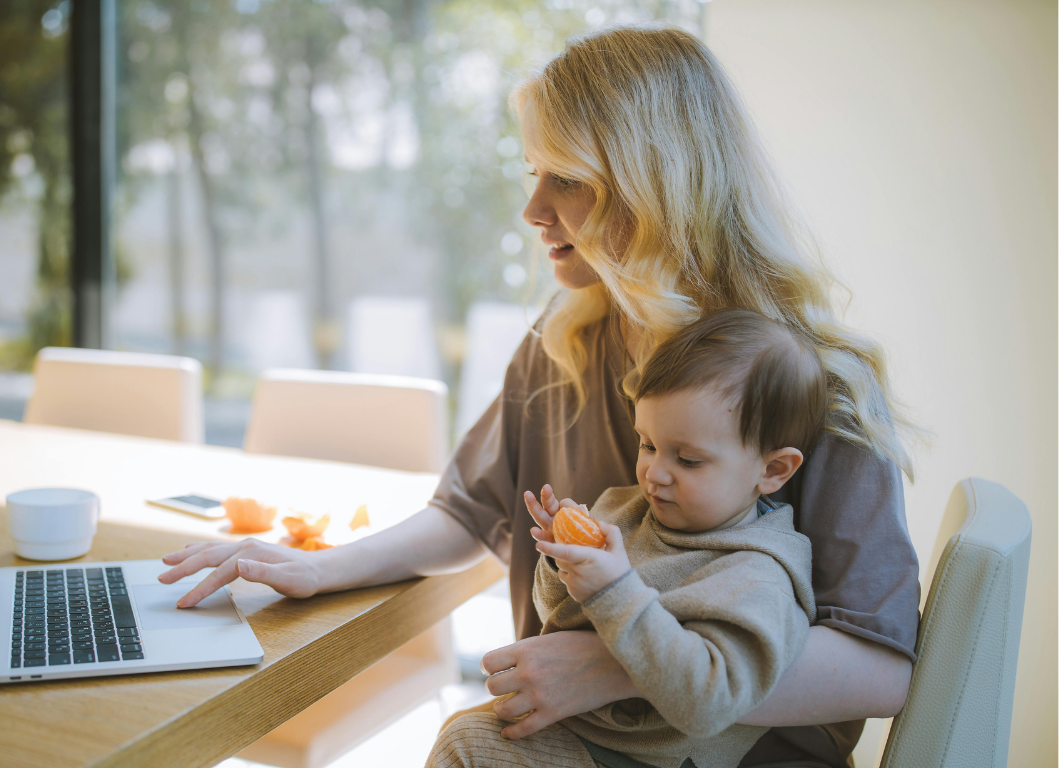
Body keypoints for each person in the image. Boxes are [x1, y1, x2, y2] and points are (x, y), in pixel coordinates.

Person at [158, 25, 920, 767]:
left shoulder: (815, 380)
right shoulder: (565, 339)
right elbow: (468, 511)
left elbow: (881, 667)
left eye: (570, 180)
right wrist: (322, 567)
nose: (533, 211)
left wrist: (618, 665)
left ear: (656, 188)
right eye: (534, 174)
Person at [428, 309, 824, 768]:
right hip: (584, 730)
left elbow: (709, 701)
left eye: (688, 460)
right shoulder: (626, 510)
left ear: (773, 470)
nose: (654, 473)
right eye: (648, 444)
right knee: (463, 731)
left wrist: (615, 591)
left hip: (647, 758)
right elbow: (558, 619)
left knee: (466, 745)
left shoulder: (757, 573)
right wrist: (563, 563)